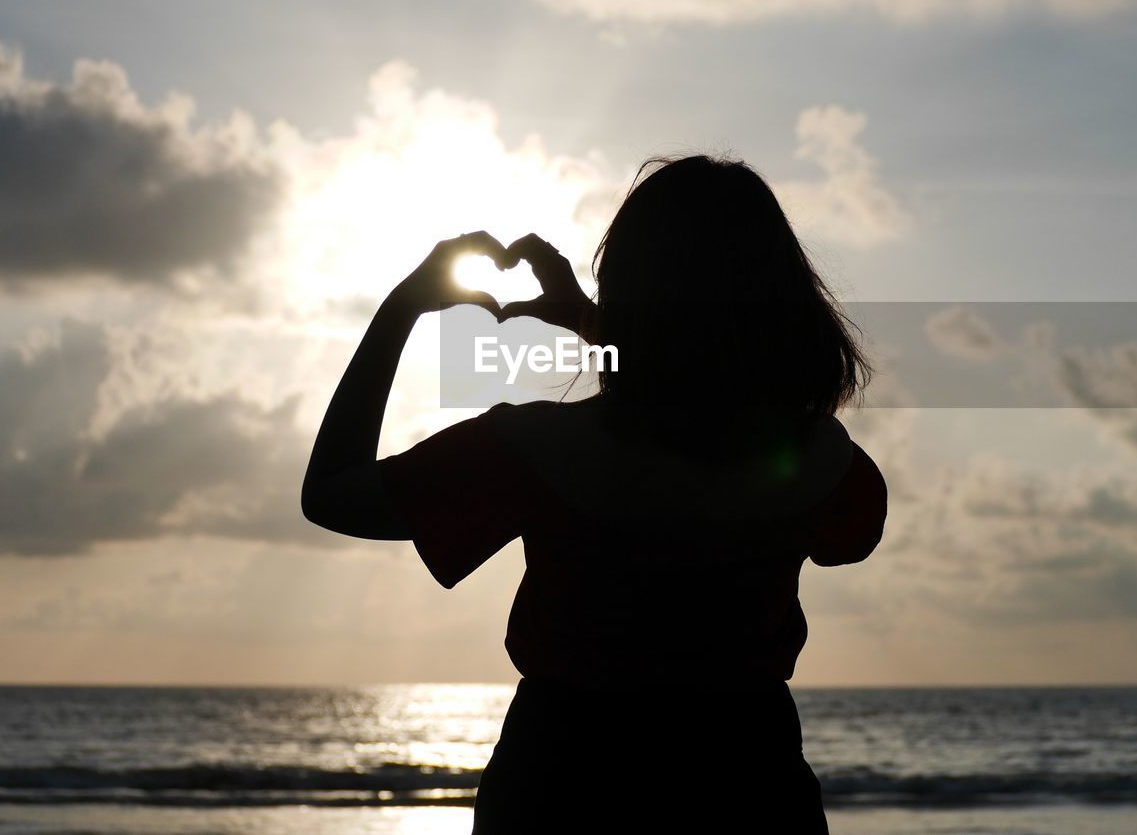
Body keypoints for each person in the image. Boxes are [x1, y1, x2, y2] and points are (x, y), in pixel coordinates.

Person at [302, 155, 888, 833]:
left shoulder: (536, 451)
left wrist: (401, 306)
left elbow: (332, 493)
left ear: (626, 288)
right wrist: (595, 326)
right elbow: (840, 530)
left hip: (562, 788)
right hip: (751, 785)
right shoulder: (826, 466)